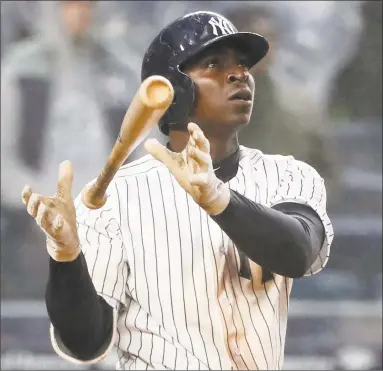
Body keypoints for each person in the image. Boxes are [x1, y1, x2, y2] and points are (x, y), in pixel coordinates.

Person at [21, 11, 334, 370]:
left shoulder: (289, 175)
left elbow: (298, 253)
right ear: (172, 90)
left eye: (242, 64)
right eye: (214, 64)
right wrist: (67, 258)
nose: (240, 74)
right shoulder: (115, 198)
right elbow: (85, 344)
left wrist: (219, 200)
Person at [1, 0, 139, 298]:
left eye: (88, 5)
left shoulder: (122, 70)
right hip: (36, 213)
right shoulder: (22, 70)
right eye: (70, 5)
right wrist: (37, 202)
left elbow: (144, 149)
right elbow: (4, 157)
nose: (79, 14)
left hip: (108, 213)